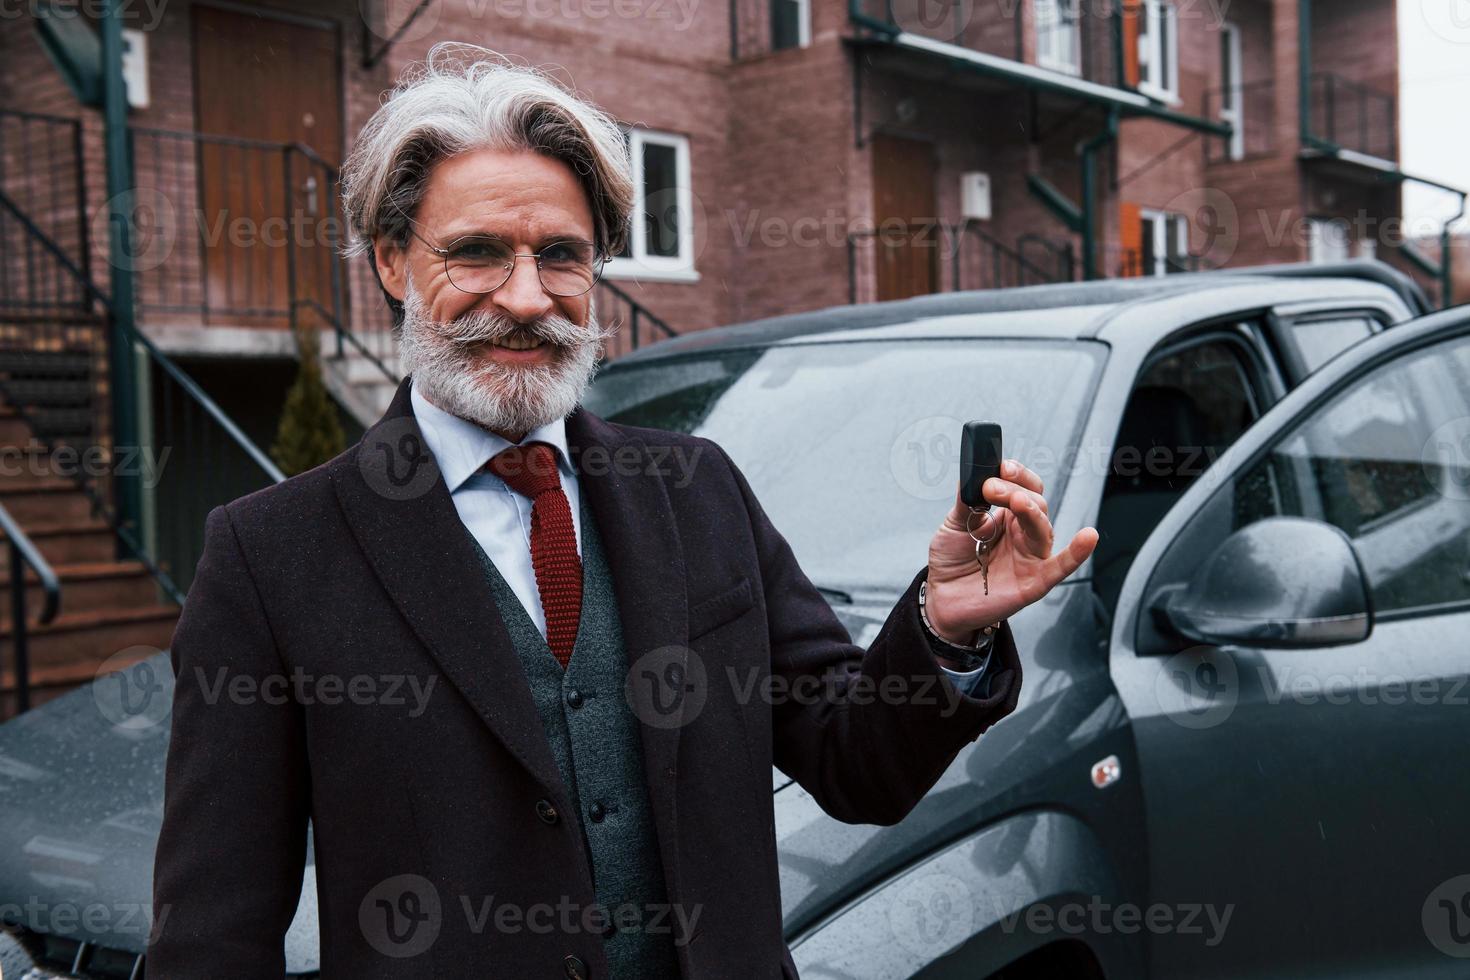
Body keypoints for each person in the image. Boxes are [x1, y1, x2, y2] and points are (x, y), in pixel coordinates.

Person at [146, 43, 1098, 980]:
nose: (526, 298)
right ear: (394, 263)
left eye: (559, 255)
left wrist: (942, 632)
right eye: (477, 253)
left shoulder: (700, 490)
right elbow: (214, 935)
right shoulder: (268, 557)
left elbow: (859, 769)